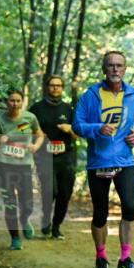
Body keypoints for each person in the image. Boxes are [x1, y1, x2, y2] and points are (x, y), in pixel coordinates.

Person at [72, 51, 134, 268]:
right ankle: (101, 257)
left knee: (130, 207)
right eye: (111, 65)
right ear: (104, 69)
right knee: (100, 213)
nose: (115, 69)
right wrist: (97, 128)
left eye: (119, 65)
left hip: (125, 160)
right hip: (99, 161)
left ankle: (125, 259)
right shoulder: (91, 95)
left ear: (125, 69)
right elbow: (77, 125)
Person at [0, 90, 43, 250]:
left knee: (27, 203)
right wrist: (0, 141)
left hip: (24, 165)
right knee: (10, 203)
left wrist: (35, 146)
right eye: (12, 100)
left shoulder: (30, 118)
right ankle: (15, 238)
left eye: (18, 100)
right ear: (7, 102)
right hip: (4, 165)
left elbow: (40, 134)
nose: (15, 103)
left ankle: (25, 219)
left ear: (22, 102)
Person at [31, 75, 78, 239]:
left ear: (62, 88)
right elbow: (23, 127)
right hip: (44, 156)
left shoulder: (68, 109)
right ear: (47, 87)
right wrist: (37, 134)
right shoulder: (36, 108)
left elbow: (77, 135)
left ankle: (56, 226)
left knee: (64, 193)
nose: (55, 88)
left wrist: (69, 129)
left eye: (58, 85)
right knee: (50, 190)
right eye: (52, 85)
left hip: (66, 157)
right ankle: (46, 219)